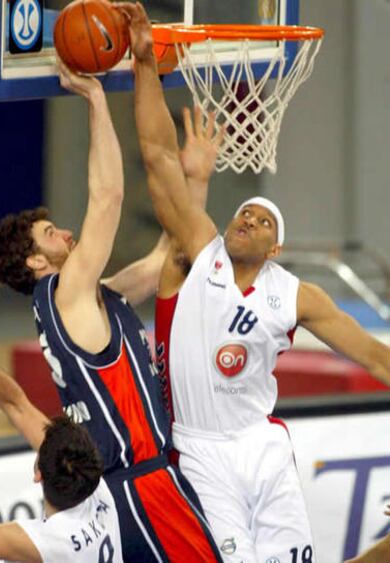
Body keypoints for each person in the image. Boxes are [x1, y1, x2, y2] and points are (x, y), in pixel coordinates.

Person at [121, 2, 390, 561]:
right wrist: (146, 65)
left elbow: (376, 357)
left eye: (263, 220)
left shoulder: (293, 294)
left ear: (277, 247)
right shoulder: (202, 252)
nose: (248, 219)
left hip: (263, 448)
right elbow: (156, 157)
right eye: (244, 212)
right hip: (200, 451)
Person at [0, 58, 222, 561]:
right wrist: (96, 99)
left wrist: (195, 178)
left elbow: (170, 256)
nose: (67, 234)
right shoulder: (63, 294)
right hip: (140, 489)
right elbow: (109, 195)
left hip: (139, 486)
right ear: (34, 261)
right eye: (50, 235)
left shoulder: (89, 300)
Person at [0, 348, 123, 562]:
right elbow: (16, 406)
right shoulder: (98, 489)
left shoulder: (53, 542)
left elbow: (17, 404)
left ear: (38, 474)